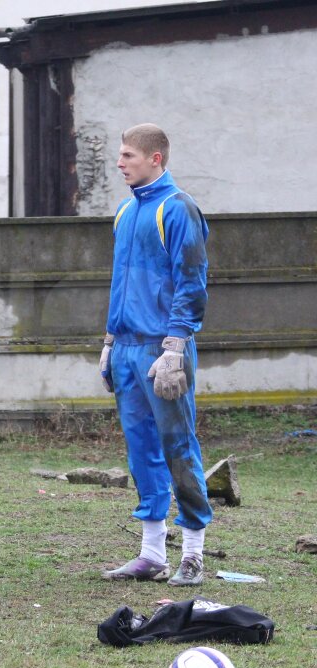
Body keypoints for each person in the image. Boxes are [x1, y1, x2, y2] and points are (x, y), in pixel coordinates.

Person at [100, 123, 213, 587]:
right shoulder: (125, 212)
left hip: (162, 349)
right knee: (141, 449)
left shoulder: (178, 208)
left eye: (128, 155)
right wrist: (108, 343)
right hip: (126, 348)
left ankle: (192, 554)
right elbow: (120, 283)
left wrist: (175, 347)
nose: (121, 162)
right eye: (121, 155)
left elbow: (193, 280)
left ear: (155, 159)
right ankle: (151, 553)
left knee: (178, 445)